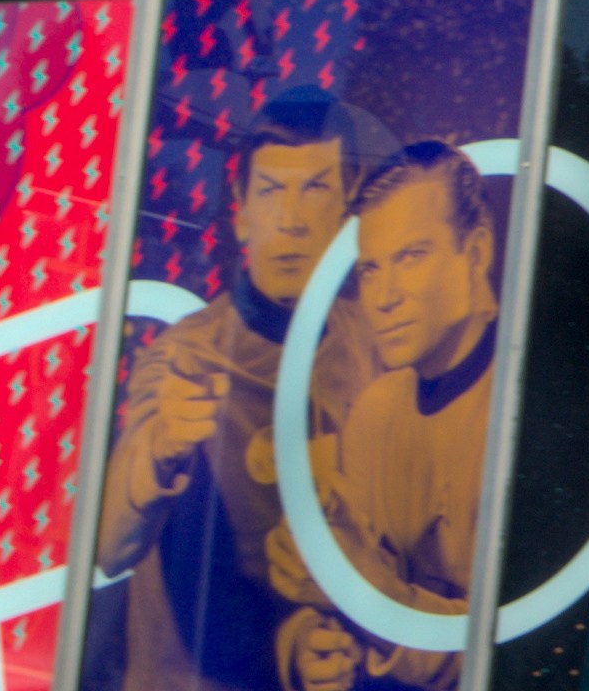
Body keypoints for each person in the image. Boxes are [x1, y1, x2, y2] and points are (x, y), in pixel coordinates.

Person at [91, 86, 373, 691]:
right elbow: (108, 547)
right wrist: (160, 447)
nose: (292, 219)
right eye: (271, 191)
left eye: (316, 187)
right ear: (241, 211)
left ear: (347, 211)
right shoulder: (187, 355)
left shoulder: (377, 351)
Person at [272, 147, 501, 691]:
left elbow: (502, 648)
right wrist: (311, 642)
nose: (385, 297)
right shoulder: (374, 412)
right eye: (371, 269)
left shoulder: (528, 405)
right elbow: (350, 575)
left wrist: (352, 587)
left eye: (412, 257)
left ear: (476, 253)